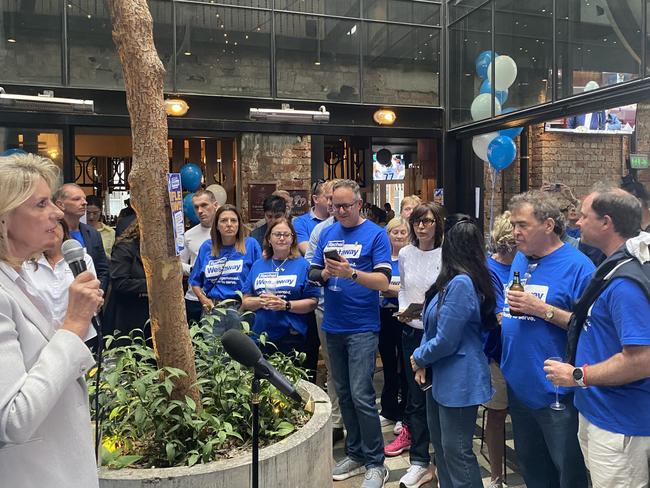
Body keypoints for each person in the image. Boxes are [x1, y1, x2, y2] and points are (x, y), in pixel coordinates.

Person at [0, 152, 103, 487]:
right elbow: (13, 418)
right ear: (4, 218)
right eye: (41, 204)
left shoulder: (19, 279)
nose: (57, 213)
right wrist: (73, 325)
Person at [545, 185, 650, 488]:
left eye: (584, 216)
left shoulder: (626, 283)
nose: (576, 222)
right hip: (599, 412)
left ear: (606, 222)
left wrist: (578, 375)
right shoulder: (613, 265)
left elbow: (641, 360)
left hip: (621, 424)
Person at [501, 190, 594, 488]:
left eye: (523, 225)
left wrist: (543, 310)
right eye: (514, 224)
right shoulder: (519, 259)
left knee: (568, 473)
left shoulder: (578, 267)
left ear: (549, 225)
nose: (515, 232)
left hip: (557, 395)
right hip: (520, 385)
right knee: (533, 470)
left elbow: (591, 328)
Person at [310, 179, 392, 488]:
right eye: (335, 206)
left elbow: (384, 282)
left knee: (362, 395)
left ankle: (376, 463)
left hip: (362, 327)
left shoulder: (375, 234)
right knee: (343, 394)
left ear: (360, 204)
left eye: (346, 205)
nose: (341, 211)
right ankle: (355, 453)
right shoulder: (327, 232)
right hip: (333, 325)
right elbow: (312, 272)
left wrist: (351, 274)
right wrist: (326, 274)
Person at [411, 214, 497, 488]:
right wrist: (424, 359)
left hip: (460, 378)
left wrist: (418, 357)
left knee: (458, 452)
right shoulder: (450, 280)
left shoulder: (462, 284)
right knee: (442, 449)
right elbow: (432, 324)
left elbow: (447, 339)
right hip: (441, 374)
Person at [386, 202, 443, 488]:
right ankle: (420, 461)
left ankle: (443, 461)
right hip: (411, 331)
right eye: (418, 221)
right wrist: (405, 309)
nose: (422, 226)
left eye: (428, 221)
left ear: (437, 224)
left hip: (438, 333)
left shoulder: (446, 253)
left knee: (440, 397)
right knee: (415, 398)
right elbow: (405, 288)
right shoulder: (406, 253)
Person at [242, 218, 319, 356]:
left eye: (286, 235)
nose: (282, 238)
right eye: (277, 234)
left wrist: (286, 305)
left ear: (292, 239)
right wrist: (260, 301)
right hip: (261, 337)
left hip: (292, 337)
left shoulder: (303, 265)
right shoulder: (258, 265)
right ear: (269, 239)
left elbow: (313, 302)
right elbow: (245, 301)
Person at [190, 204, 261, 335]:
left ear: (239, 224)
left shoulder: (250, 245)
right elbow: (195, 282)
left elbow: (260, 278)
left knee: (240, 354)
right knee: (211, 354)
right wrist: (203, 299)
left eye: (233, 220)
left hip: (240, 309)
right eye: (223, 221)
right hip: (213, 309)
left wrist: (247, 303)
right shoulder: (207, 247)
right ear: (216, 225)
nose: (229, 224)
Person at [483, 211, 516, 488]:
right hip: (497, 353)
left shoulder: (529, 264)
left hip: (526, 354)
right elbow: (496, 316)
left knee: (527, 416)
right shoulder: (489, 270)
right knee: (496, 414)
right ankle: (496, 477)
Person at [24, 218, 97, 340]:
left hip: (80, 335)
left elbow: (90, 295)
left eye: (55, 225)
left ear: (64, 228)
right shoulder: (26, 262)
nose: (51, 230)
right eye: (45, 227)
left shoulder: (81, 258)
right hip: (40, 336)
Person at [377, 218, 409, 435]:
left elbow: (410, 288)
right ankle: (388, 409)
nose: (398, 236)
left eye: (402, 232)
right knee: (388, 364)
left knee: (405, 367)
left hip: (405, 316)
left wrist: (392, 289)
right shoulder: (383, 259)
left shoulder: (409, 259)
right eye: (394, 232)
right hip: (383, 315)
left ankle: (403, 414)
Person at [53, 183, 110, 291]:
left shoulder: (93, 233)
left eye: (84, 199)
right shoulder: (51, 234)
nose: (84, 202)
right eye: (77, 199)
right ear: (61, 205)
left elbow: (102, 269)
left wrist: (97, 292)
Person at [105, 219, 150, 341]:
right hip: (128, 315)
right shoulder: (125, 247)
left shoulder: (158, 250)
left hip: (151, 316)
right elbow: (119, 283)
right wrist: (153, 286)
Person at [180, 189, 219, 323]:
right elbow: (178, 264)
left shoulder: (227, 231)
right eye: (196, 207)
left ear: (215, 205)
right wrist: (193, 270)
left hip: (222, 297)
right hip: (194, 298)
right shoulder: (188, 235)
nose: (200, 210)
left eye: (204, 205)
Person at [294, 179, 332, 255]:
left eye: (332, 198)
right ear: (315, 199)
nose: (330, 202)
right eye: (327, 198)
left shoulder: (338, 220)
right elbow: (308, 251)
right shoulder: (300, 222)